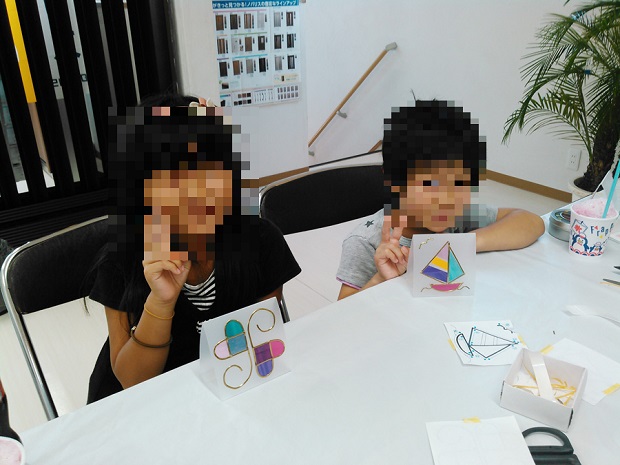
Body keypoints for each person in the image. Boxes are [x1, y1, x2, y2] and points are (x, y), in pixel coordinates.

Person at [86, 94, 301, 402]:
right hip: (147, 402)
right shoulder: (123, 259)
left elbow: (262, 344)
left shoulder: (259, 240)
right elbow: (132, 382)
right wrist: (161, 302)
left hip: (229, 390)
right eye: (173, 176)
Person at [336, 100, 545, 300]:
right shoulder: (366, 241)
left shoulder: (459, 217)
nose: (447, 199)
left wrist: (464, 243)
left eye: (459, 182)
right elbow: (340, 314)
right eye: (431, 184)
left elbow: (531, 221)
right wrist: (379, 279)